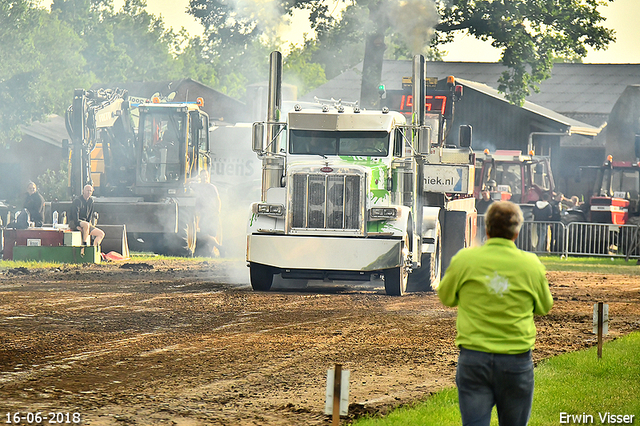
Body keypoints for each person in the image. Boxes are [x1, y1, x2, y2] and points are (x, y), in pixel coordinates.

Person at [437, 201, 553, 426]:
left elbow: (446, 297)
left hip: (474, 358)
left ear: (486, 228)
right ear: (517, 231)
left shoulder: (465, 259)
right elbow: (544, 307)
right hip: (516, 360)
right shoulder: (531, 265)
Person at [192, 170, 222, 256]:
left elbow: (218, 200)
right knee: (204, 234)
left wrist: (218, 211)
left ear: (208, 177)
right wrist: (194, 178)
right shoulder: (197, 186)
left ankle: (213, 252)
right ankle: (219, 248)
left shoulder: (212, 187)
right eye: (202, 176)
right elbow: (184, 183)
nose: (204, 177)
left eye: (205, 176)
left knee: (211, 233)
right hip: (203, 214)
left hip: (212, 213)